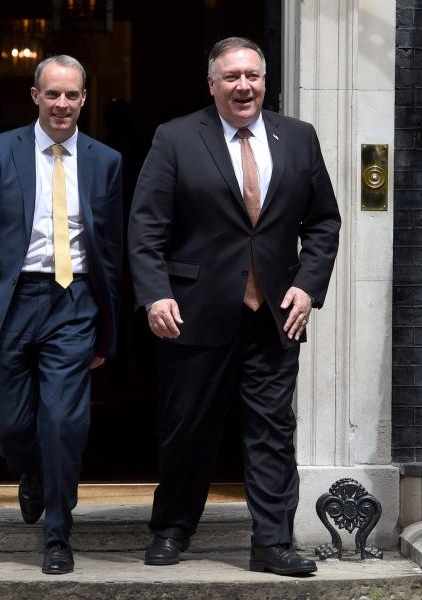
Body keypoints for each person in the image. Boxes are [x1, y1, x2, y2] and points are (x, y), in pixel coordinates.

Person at [128, 37, 340, 577]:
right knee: (188, 429)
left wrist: (308, 286)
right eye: (231, 77)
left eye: (252, 76)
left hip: (273, 315)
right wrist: (155, 293)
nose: (243, 86)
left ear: (264, 81)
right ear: (212, 84)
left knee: (272, 431)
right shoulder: (175, 138)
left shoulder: (297, 137)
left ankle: (272, 541)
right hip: (193, 313)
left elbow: (323, 223)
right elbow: (146, 228)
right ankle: (173, 528)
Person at [0, 55, 123, 575]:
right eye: (53, 94)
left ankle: (57, 535)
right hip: (12, 300)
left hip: (75, 302)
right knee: (6, 425)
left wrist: (107, 329)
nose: (62, 104)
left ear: (84, 98)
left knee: (64, 422)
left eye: (72, 95)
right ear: (35, 96)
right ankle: (32, 472)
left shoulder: (106, 160)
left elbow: (112, 250)